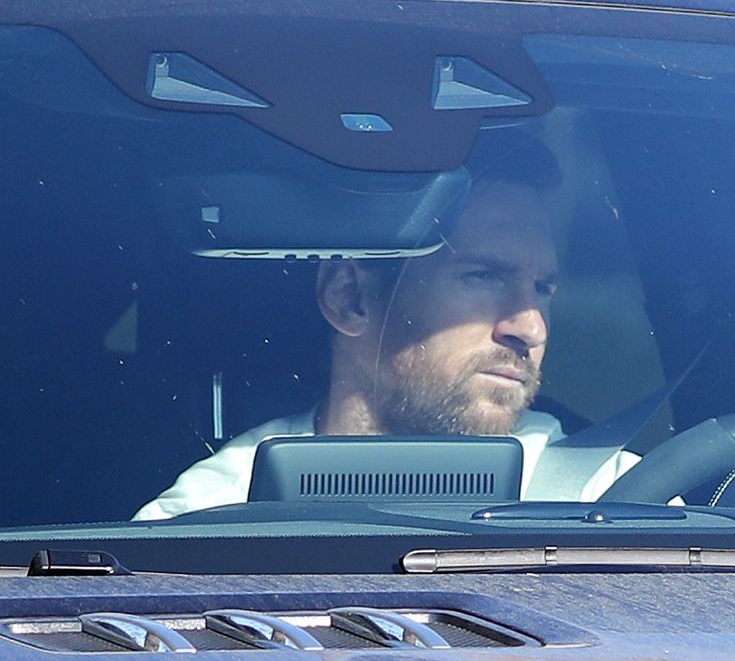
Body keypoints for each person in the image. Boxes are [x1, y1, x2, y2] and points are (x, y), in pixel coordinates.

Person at [133, 136, 641, 521]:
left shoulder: (615, 499)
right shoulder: (207, 525)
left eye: (543, 288)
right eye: (484, 276)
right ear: (349, 297)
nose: (530, 326)